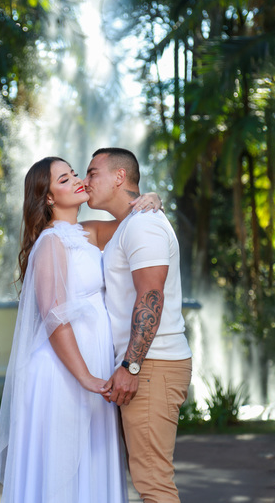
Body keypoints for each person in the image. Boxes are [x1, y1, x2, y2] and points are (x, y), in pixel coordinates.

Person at [0, 157, 161, 502]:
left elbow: (135, 222)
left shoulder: (89, 233)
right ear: (48, 197)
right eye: (64, 179)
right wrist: (85, 377)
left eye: (74, 174)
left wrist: (152, 199)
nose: (77, 180)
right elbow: (54, 317)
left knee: (91, 465)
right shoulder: (50, 242)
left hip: (93, 367)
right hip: (63, 373)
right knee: (62, 470)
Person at [85, 147, 192, 503]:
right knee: (148, 478)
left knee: (154, 484)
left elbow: (151, 296)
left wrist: (131, 366)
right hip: (145, 365)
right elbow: (54, 227)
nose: (86, 181)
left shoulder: (144, 224)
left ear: (119, 177)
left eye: (92, 172)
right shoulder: (128, 226)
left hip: (150, 365)